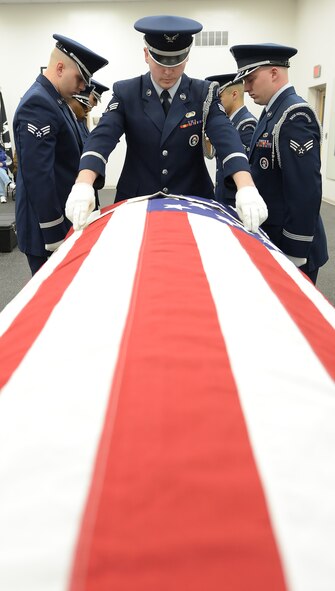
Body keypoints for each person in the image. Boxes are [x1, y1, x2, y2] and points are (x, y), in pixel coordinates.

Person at [65, 15, 268, 234]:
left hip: (192, 199)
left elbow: (226, 136)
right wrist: (84, 182)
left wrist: (246, 186)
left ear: (187, 57)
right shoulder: (128, 92)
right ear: (146, 55)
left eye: (176, 61)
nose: (168, 71)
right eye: (160, 61)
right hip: (138, 200)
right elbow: (103, 136)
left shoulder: (203, 92)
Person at [230, 43, 328, 284]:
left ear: (274, 73)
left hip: (293, 246)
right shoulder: (270, 112)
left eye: (251, 79)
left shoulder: (295, 115)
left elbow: (304, 192)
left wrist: (294, 253)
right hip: (273, 237)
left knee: (296, 318)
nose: (247, 88)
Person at [13, 34, 108, 275]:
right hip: (46, 230)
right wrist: (54, 234)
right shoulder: (38, 103)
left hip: (64, 221)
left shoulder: (57, 101)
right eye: (79, 78)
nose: (83, 88)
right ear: (59, 68)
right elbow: (39, 177)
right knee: (50, 303)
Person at [205, 73, 257, 205]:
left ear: (234, 95)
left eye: (219, 98)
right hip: (224, 198)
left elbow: (249, 169)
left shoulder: (246, 125)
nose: (215, 104)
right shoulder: (227, 125)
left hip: (237, 201)